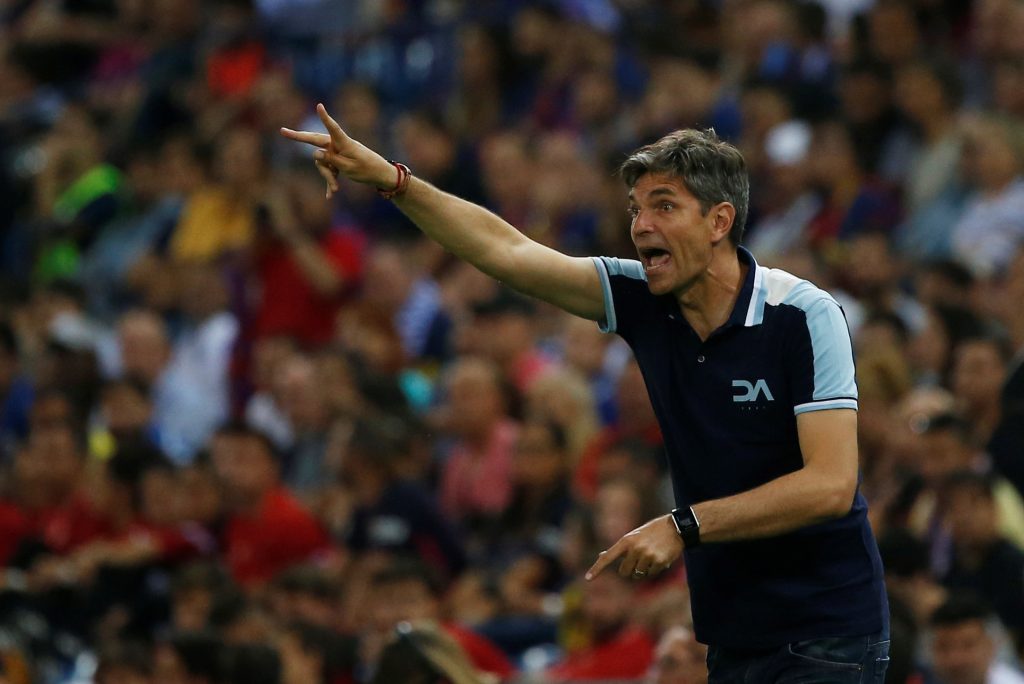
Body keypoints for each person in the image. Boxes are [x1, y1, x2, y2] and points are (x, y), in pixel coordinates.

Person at [281, 105, 889, 681]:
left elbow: (831, 485)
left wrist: (684, 526)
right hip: (731, 631)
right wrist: (393, 180)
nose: (640, 225)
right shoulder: (643, 299)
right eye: (635, 209)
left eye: (663, 206)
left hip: (828, 627)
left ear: (719, 221)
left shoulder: (803, 314)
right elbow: (506, 252)